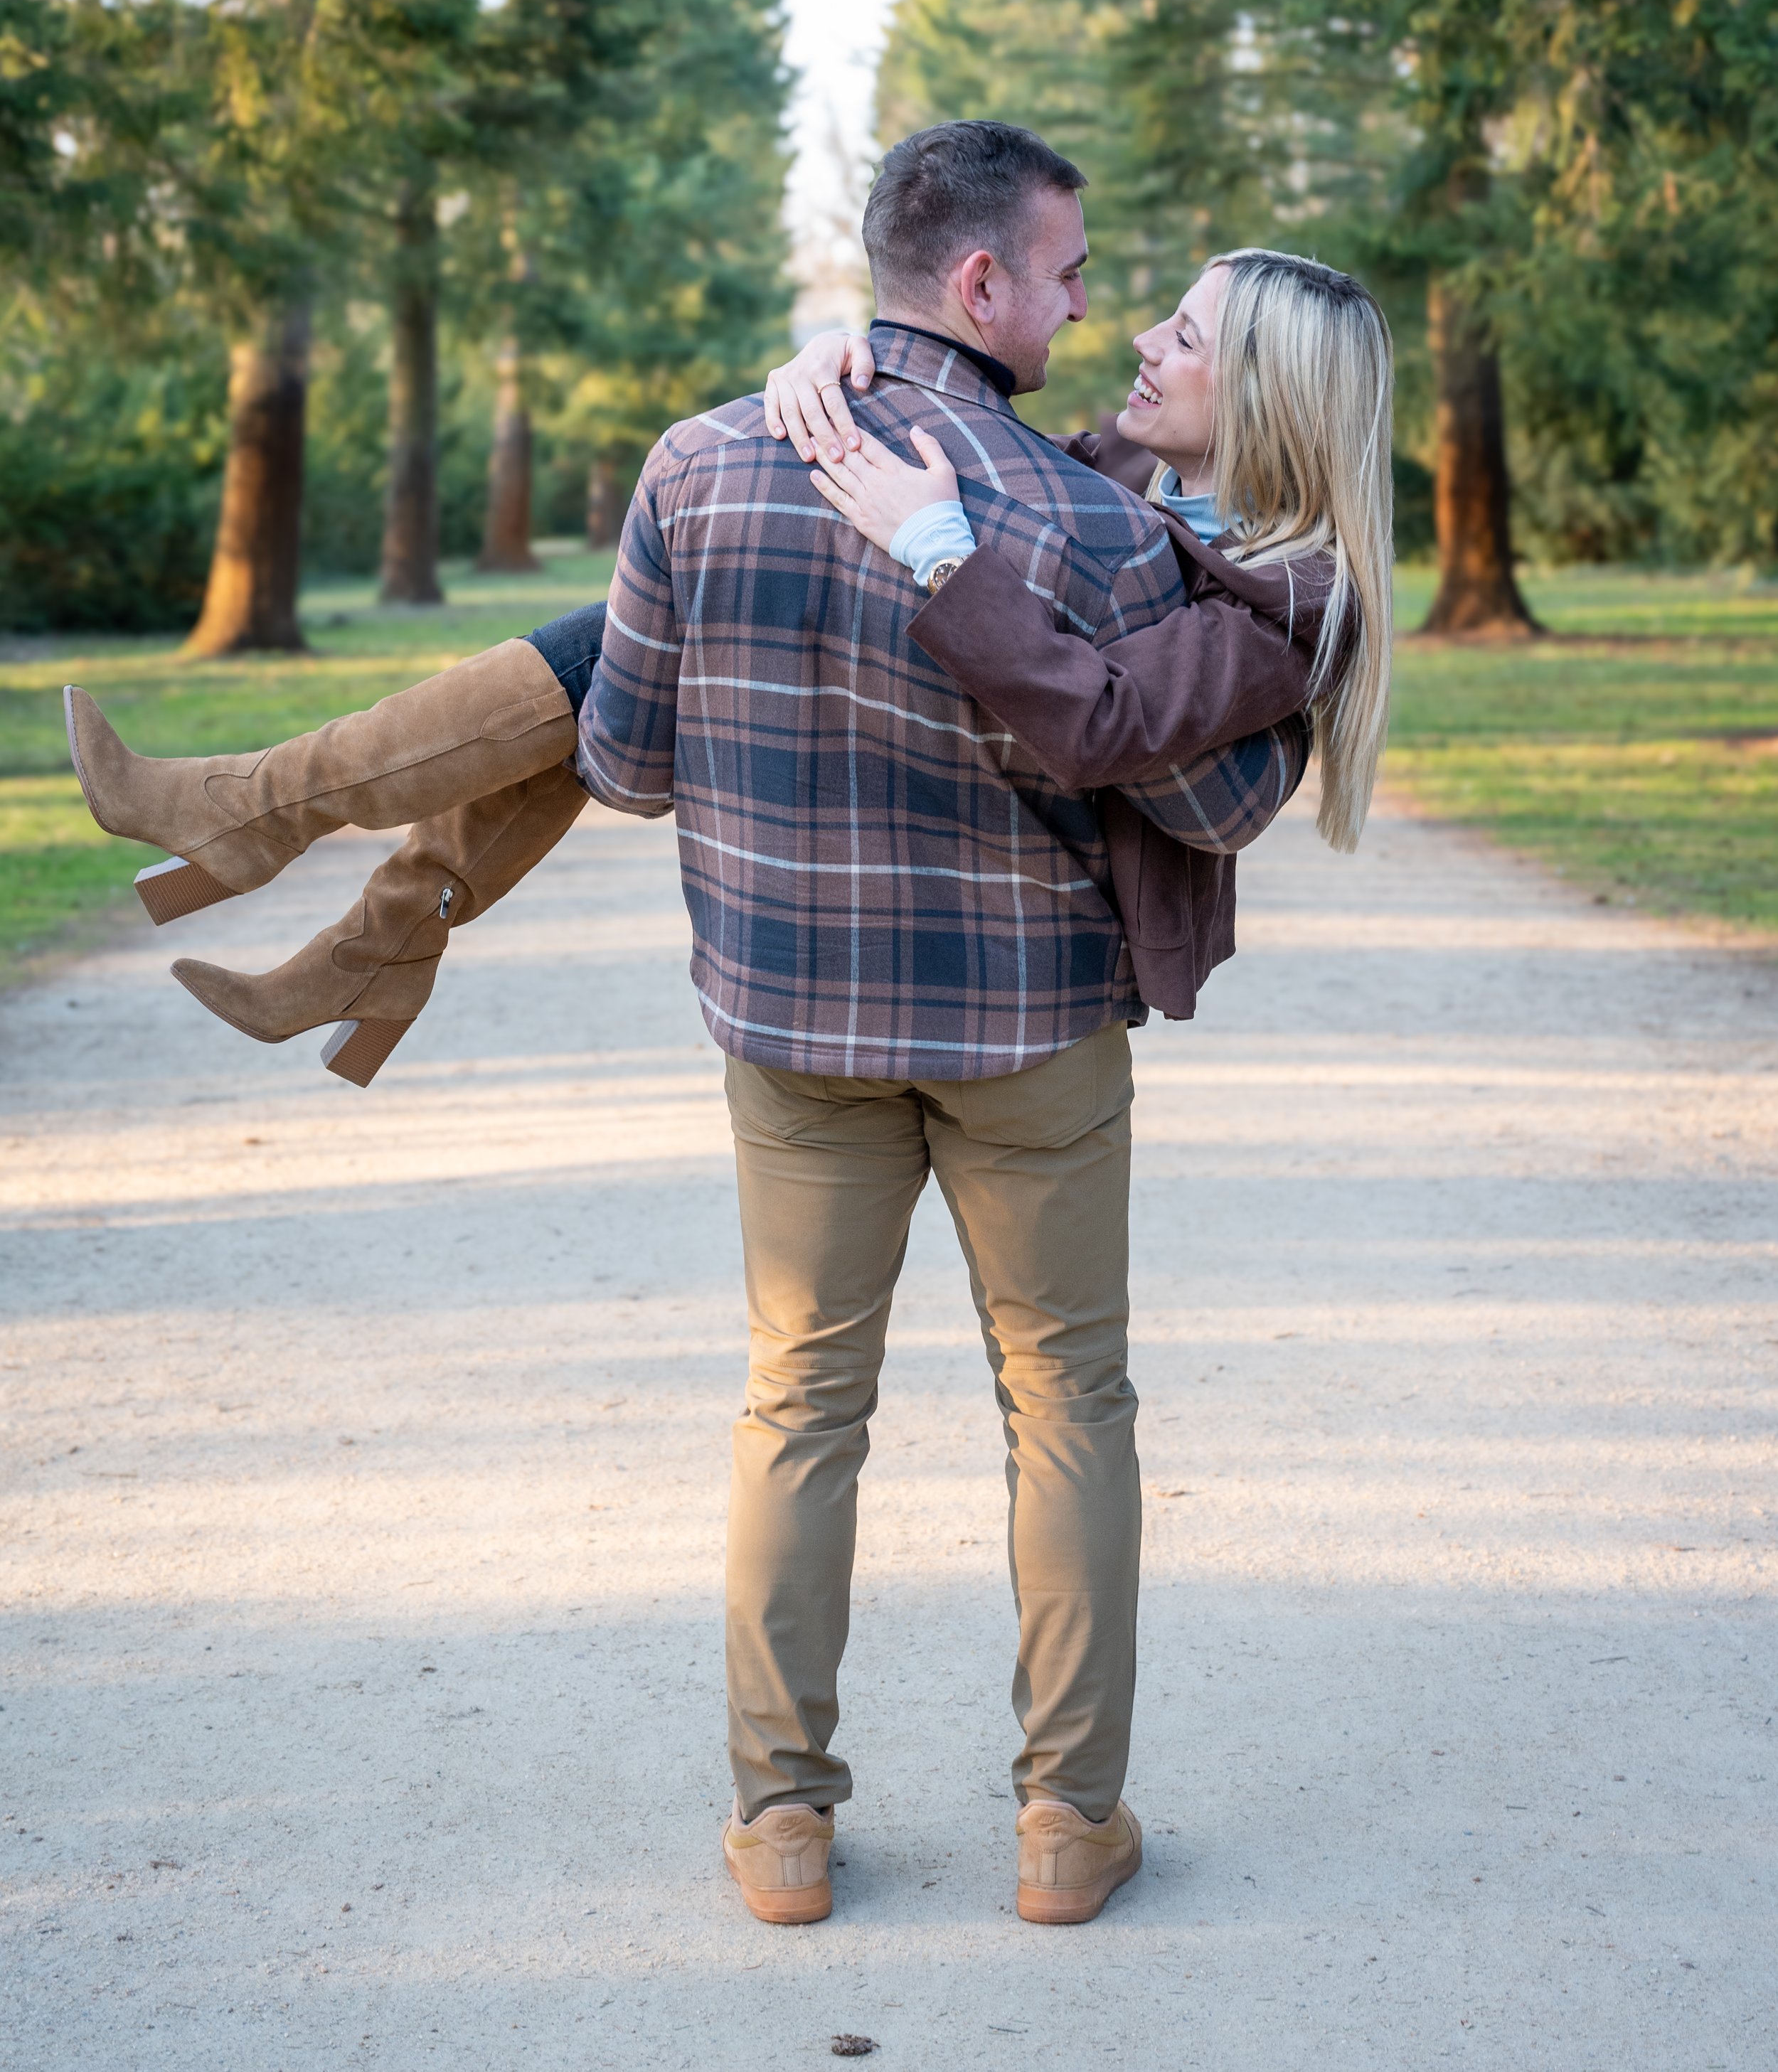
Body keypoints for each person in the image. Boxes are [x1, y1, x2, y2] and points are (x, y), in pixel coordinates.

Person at [62, 122, 1365, 1928]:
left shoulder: (734, 457)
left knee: (796, 1406)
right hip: (1027, 1028)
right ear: (978, 283)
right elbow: (1138, 717)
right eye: (1083, 283)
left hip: (795, 1014)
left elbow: (632, 763)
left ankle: (781, 1827)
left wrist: (825, 474)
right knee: (1068, 1403)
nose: (1114, 318)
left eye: (1168, 324)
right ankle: (1067, 1827)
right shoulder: (1099, 517)